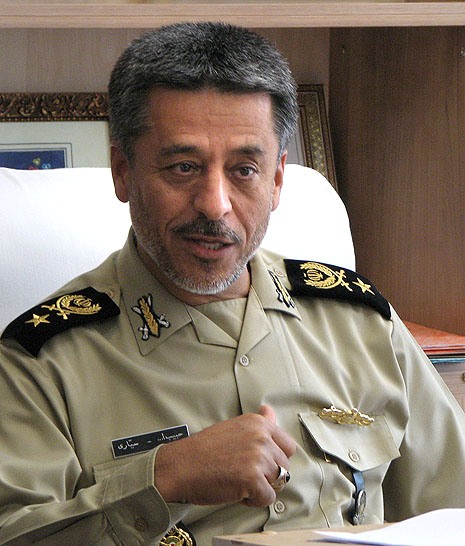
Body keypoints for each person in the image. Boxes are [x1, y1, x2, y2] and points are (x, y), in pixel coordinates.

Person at [1, 21, 465, 546]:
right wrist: (162, 481)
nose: (215, 205)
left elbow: (454, 514)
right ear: (122, 171)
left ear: (278, 180)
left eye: (244, 170)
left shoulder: (360, 324)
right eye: (183, 167)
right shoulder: (41, 362)